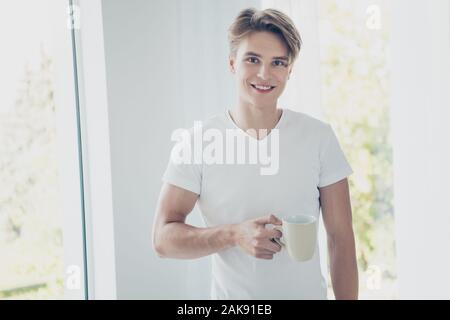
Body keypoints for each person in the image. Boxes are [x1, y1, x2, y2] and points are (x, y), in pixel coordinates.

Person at [152, 7, 358, 300]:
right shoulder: (198, 143)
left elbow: (341, 240)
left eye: (277, 62)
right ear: (232, 63)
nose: (264, 74)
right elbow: (162, 239)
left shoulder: (318, 137)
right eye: (253, 60)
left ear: (289, 71)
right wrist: (234, 235)